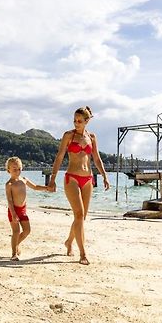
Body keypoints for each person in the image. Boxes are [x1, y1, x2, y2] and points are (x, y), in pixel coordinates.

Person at [49, 106, 110, 265]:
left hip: (88, 179)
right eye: (74, 120)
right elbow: (59, 156)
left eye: (80, 121)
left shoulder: (92, 137)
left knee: (81, 217)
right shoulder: (68, 136)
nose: (76, 123)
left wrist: (104, 175)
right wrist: (52, 178)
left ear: (87, 121)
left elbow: (96, 158)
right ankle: (83, 254)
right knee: (78, 214)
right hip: (72, 178)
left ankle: (69, 241)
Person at [5, 156, 51, 261]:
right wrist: (13, 214)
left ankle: (16, 244)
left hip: (23, 210)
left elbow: (35, 187)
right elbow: (10, 201)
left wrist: (47, 188)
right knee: (16, 232)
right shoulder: (9, 184)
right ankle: (13, 253)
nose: (17, 171)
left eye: (19, 169)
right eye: (14, 169)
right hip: (14, 211)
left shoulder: (24, 180)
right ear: (9, 170)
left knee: (27, 231)